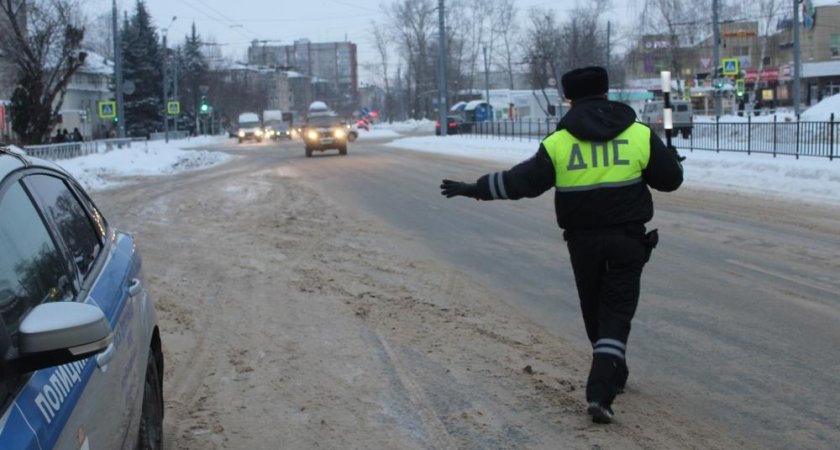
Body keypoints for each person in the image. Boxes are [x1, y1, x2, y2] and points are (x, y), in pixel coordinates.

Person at [439, 66, 684, 424]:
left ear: (568, 98)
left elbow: (521, 182)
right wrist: (672, 161)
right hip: (628, 240)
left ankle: (606, 381)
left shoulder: (559, 142)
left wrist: (475, 189)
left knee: (595, 311)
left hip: (583, 242)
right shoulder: (638, 134)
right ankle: (606, 381)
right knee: (616, 313)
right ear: (606, 91)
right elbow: (670, 181)